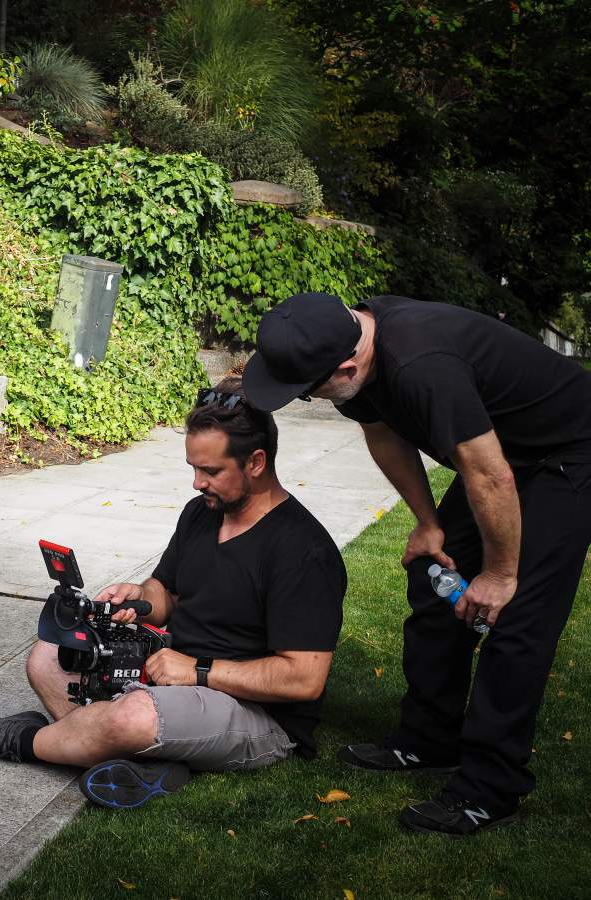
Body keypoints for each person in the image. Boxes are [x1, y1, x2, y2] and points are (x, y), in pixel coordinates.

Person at [243, 292, 591, 836]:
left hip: (565, 451)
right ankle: (430, 738)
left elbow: (489, 476)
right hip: (503, 454)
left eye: (310, 392)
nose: (310, 400)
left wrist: (500, 576)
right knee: (434, 578)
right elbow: (382, 433)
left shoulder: (424, 366)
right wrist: (428, 522)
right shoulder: (351, 338)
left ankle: (489, 788)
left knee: (517, 618)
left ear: (348, 365)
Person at [0, 378, 347, 808]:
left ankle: (23, 739)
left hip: (258, 714)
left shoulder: (303, 552)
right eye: (192, 468)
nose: (196, 483)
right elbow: (167, 591)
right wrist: (140, 596)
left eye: (210, 471)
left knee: (134, 716)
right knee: (48, 656)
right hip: (175, 675)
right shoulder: (202, 514)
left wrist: (197, 671)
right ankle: (140, 758)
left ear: (256, 462)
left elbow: (304, 679)